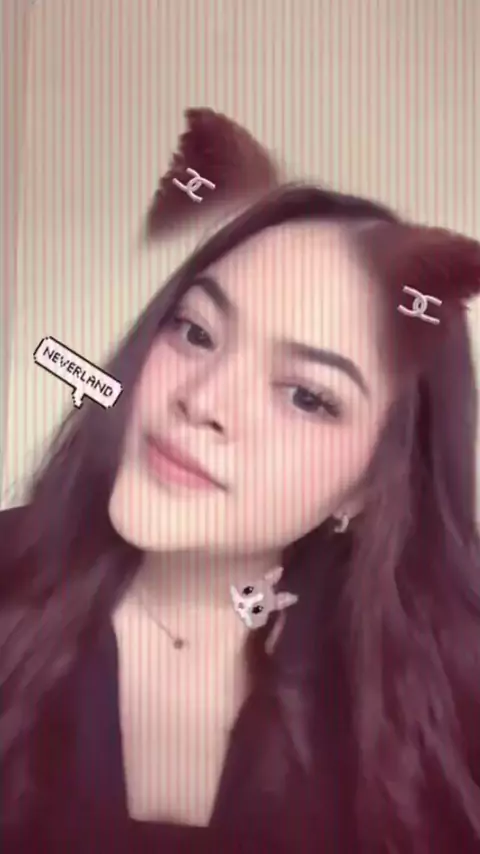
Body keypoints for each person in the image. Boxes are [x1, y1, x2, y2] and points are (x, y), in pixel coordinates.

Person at [2, 181, 480, 854]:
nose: (202, 400)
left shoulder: (444, 698)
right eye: (196, 332)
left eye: (307, 396)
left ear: (370, 490)